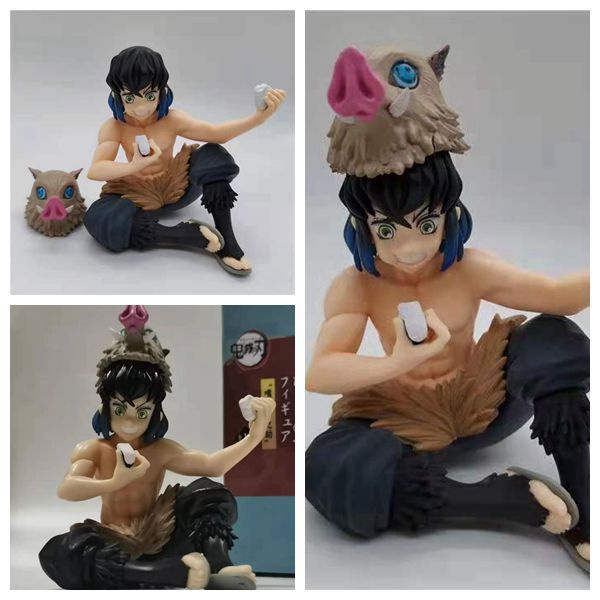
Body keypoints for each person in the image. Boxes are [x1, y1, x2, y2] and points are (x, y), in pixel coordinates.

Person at [305, 45, 590, 573]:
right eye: (386, 230)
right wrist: (401, 362)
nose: (409, 248)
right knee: (327, 466)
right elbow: (320, 373)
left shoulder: (470, 269)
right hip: (405, 421)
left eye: (426, 224)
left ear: (449, 214)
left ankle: (583, 509)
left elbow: (558, 296)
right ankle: (496, 501)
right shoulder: (356, 286)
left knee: (556, 339)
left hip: (483, 405)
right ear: (363, 228)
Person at [39, 305, 276, 589]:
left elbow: (212, 466)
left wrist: (254, 436)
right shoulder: (94, 450)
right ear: (106, 406)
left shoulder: (161, 450)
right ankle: (158, 573)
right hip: (113, 543)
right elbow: (67, 489)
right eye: (120, 409)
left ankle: (219, 566)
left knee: (207, 492)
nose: (130, 422)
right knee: (58, 551)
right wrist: (115, 481)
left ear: (155, 413)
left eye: (142, 412)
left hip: (159, 535)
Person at [84, 46, 286, 276]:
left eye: (150, 96)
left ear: (162, 91)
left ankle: (227, 242)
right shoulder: (114, 127)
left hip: (176, 187)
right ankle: (184, 235)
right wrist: (134, 166)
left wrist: (258, 118)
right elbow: (96, 169)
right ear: (117, 96)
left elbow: (216, 134)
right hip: (138, 195)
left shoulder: (172, 119)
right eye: (130, 98)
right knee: (98, 218)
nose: (141, 108)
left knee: (213, 155)